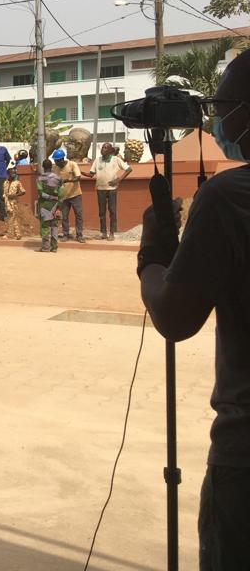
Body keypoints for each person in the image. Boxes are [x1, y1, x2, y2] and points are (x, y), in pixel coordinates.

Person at [137, 49, 250, 570]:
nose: (217, 122)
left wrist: (153, 256)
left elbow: (175, 318)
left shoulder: (231, 196)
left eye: (222, 108)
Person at [85, 142, 132, 240]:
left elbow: (129, 169)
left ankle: (112, 233)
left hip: (112, 189)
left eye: (106, 148)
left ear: (111, 150)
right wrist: (79, 172)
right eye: (102, 147)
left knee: (112, 211)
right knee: (101, 212)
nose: (103, 149)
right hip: (100, 189)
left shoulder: (116, 159)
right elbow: (91, 174)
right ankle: (103, 232)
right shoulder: (97, 160)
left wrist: (119, 179)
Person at [51, 148, 86, 243]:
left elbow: (78, 178)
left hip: (75, 194)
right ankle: (65, 234)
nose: (56, 162)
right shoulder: (55, 168)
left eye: (57, 161)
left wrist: (67, 180)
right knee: (64, 216)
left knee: (78, 215)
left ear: (62, 159)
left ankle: (79, 235)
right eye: (55, 160)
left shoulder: (72, 164)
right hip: (63, 196)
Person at [35, 159, 63, 253]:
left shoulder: (40, 179)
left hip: (45, 205)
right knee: (54, 226)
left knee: (45, 226)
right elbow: (61, 193)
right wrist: (59, 205)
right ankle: (54, 247)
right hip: (55, 205)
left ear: (43, 167)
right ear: (51, 167)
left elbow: (40, 193)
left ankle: (45, 247)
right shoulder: (58, 178)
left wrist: (50, 197)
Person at [3, 167, 26, 240]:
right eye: (12, 173)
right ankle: (18, 234)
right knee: (13, 218)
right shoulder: (5, 183)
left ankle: (10, 234)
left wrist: (15, 195)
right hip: (7, 203)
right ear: (8, 174)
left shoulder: (17, 183)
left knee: (11, 218)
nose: (13, 175)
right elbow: (5, 193)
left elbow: (23, 191)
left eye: (14, 173)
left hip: (14, 203)